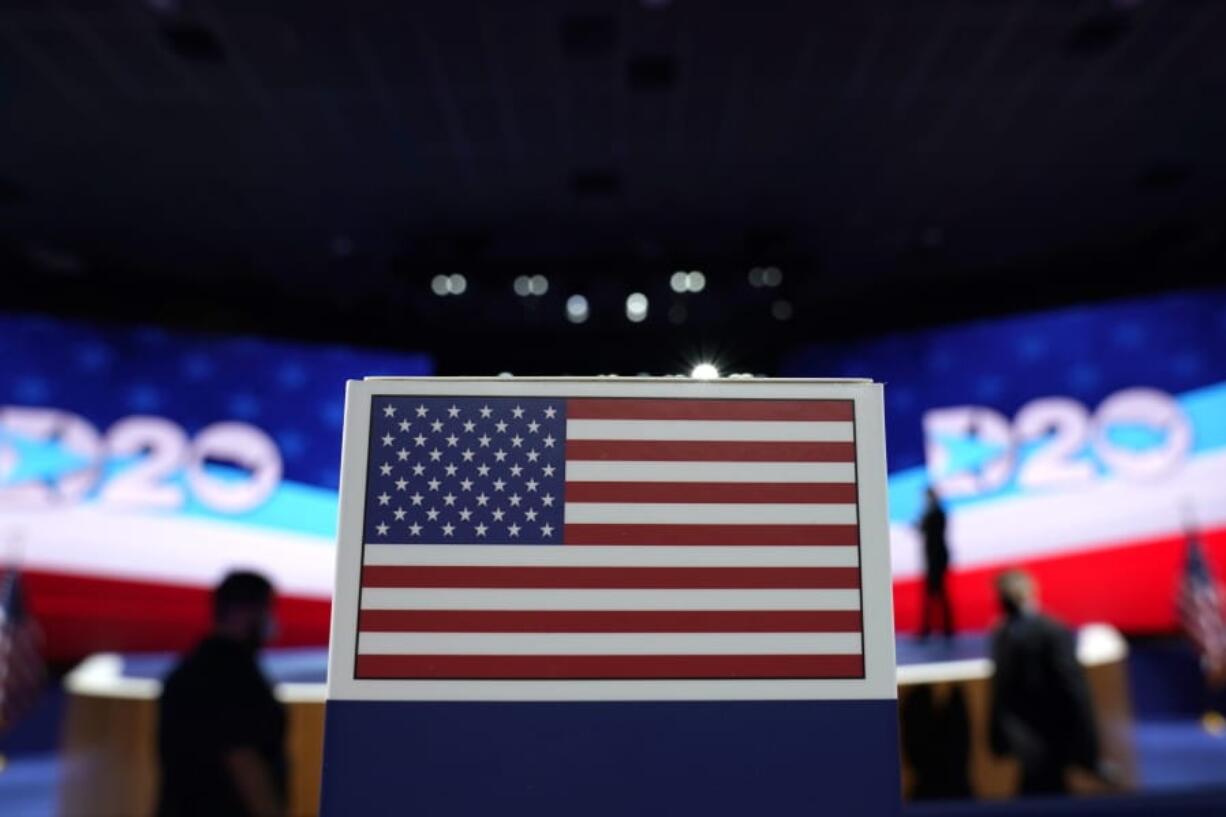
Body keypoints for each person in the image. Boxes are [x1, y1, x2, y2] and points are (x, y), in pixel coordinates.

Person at [156, 571, 287, 817]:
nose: (271, 620)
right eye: (267, 609)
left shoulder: (190, 668)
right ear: (243, 611)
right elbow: (243, 760)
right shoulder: (235, 678)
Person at [988, 570, 1099, 796]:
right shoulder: (1004, 633)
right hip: (1025, 738)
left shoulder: (1048, 632)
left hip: (1052, 736)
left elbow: (1072, 688)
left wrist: (1086, 744)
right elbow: (1000, 691)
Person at [918, 486, 954, 639]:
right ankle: (936, 628)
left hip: (936, 559)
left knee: (936, 594)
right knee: (935, 595)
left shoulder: (937, 512)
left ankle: (937, 629)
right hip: (933, 558)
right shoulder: (932, 512)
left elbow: (933, 533)